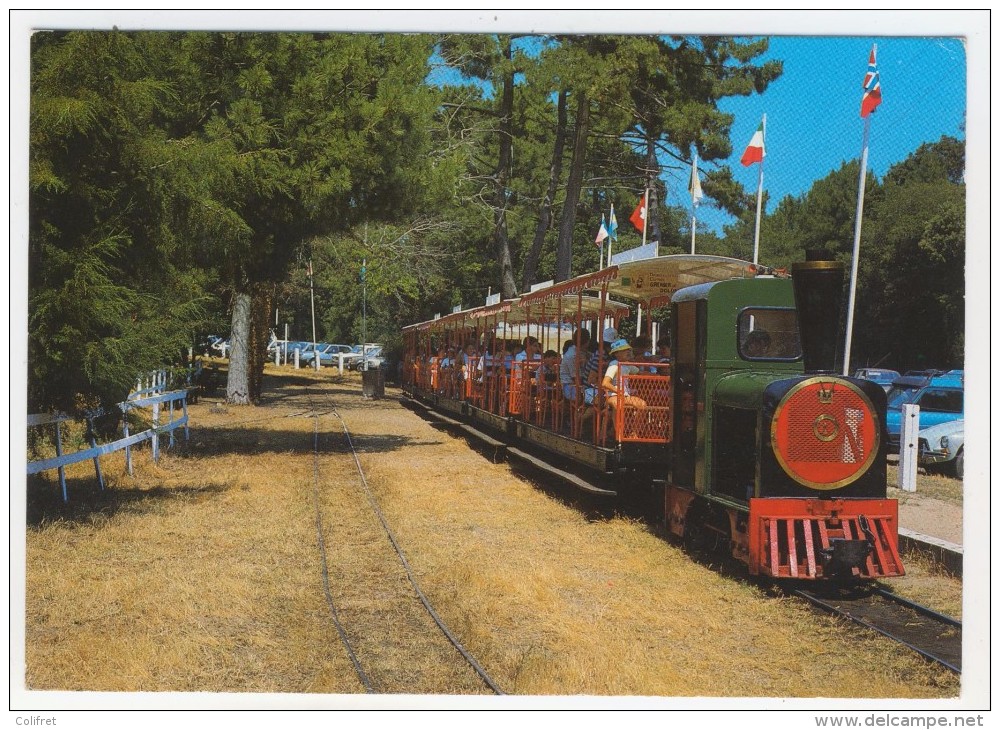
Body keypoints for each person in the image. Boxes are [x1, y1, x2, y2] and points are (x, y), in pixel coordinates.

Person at [581, 326, 617, 404]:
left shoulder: (608, 355)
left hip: (600, 388)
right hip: (590, 389)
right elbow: (591, 379)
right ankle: (582, 416)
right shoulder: (601, 356)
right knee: (602, 400)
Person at [559, 328, 591, 400]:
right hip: (570, 386)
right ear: (587, 342)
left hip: (579, 383)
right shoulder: (572, 355)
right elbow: (576, 377)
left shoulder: (582, 352)